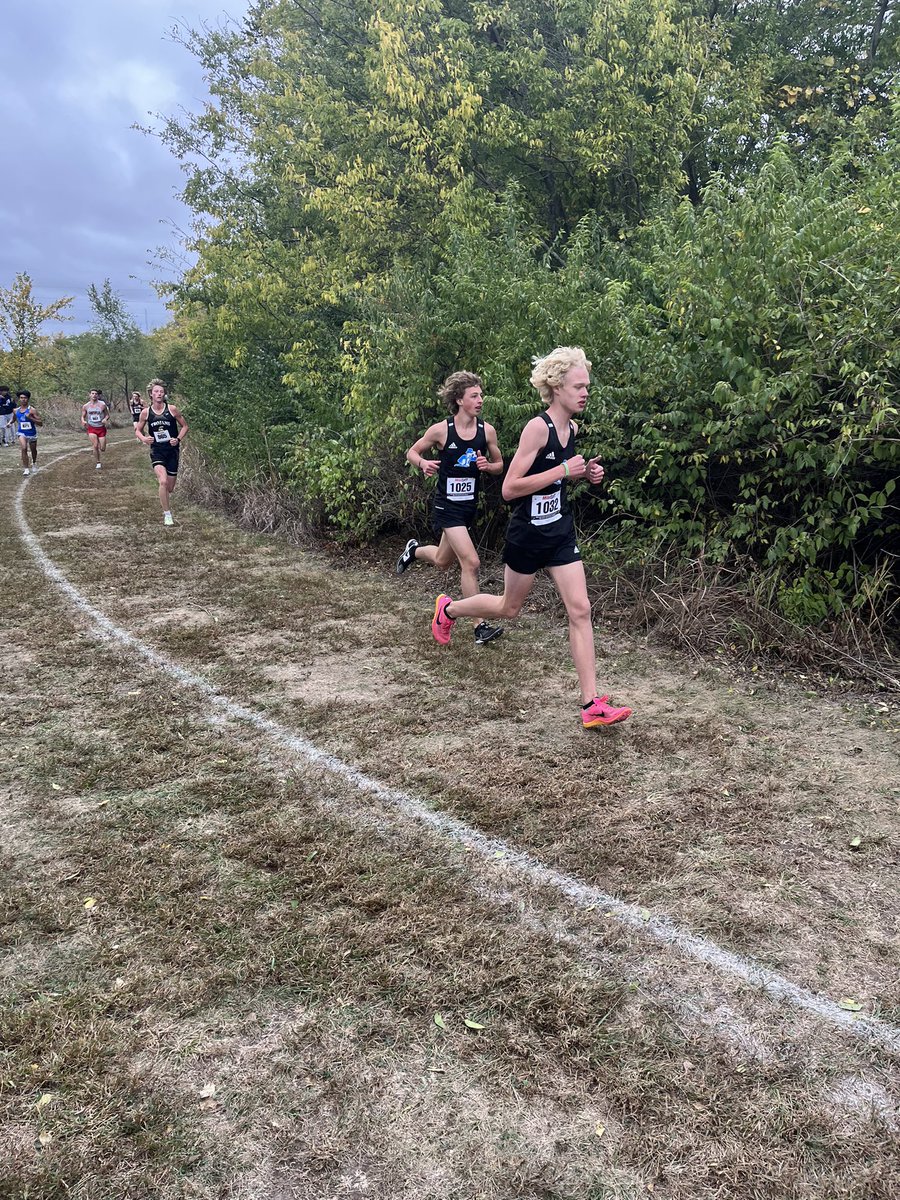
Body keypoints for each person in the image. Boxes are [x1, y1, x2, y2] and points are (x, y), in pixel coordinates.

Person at [429, 347, 632, 729]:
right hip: (527, 535)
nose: (585, 392)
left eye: (587, 386)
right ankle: (450, 610)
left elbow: (560, 475)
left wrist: (584, 473)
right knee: (509, 608)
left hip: (559, 531)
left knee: (581, 609)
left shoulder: (572, 429)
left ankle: (591, 704)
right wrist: (561, 471)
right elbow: (510, 488)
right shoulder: (538, 428)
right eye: (578, 386)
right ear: (556, 388)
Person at [396, 371, 505, 645]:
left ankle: (413, 551)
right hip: (447, 507)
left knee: (443, 561)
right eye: (474, 396)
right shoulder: (442, 430)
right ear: (459, 400)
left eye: (481, 395)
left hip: (468, 507)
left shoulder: (486, 431)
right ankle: (479, 626)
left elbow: (499, 465)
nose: (481, 400)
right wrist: (423, 464)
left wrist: (488, 467)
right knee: (471, 562)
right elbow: (412, 451)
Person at [134, 379, 188, 526]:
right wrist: (145, 439)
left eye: (161, 392)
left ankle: (165, 497)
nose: (159, 394)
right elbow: (137, 430)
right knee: (162, 481)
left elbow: (184, 426)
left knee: (169, 487)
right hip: (156, 450)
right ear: (151, 394)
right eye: (156, 391)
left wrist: (177, 439)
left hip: (172, 451)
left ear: (164, 394)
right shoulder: (146, 413)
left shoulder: (172, 409)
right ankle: (167, 515)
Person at [81, 388, 110, 469]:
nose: (94, 395)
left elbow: (107, 415)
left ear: (98, 395)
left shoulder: (102, 405)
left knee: (102, 448)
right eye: (92, 393)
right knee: (95, 445)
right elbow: (82, 416)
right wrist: (83, 421)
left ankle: (101, 448)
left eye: (96, 394)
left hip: (101, 428)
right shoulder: (86, 406)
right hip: (91, 427)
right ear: (89, 395)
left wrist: (105, 419)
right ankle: (98, 462)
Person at [14, 391, 41, 475]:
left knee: (33, 450)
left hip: (31, 433)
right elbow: (14, 418)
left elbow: (40, 423)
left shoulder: (32, 410)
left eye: (25, 398)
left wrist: (31, 418)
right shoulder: (15, 410)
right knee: (24, 448)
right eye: (21, 398)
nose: (23, 400)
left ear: (28, 399)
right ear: (19, 399)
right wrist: (9, 423)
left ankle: (34, 462)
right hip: (21, 432)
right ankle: (26, 469)